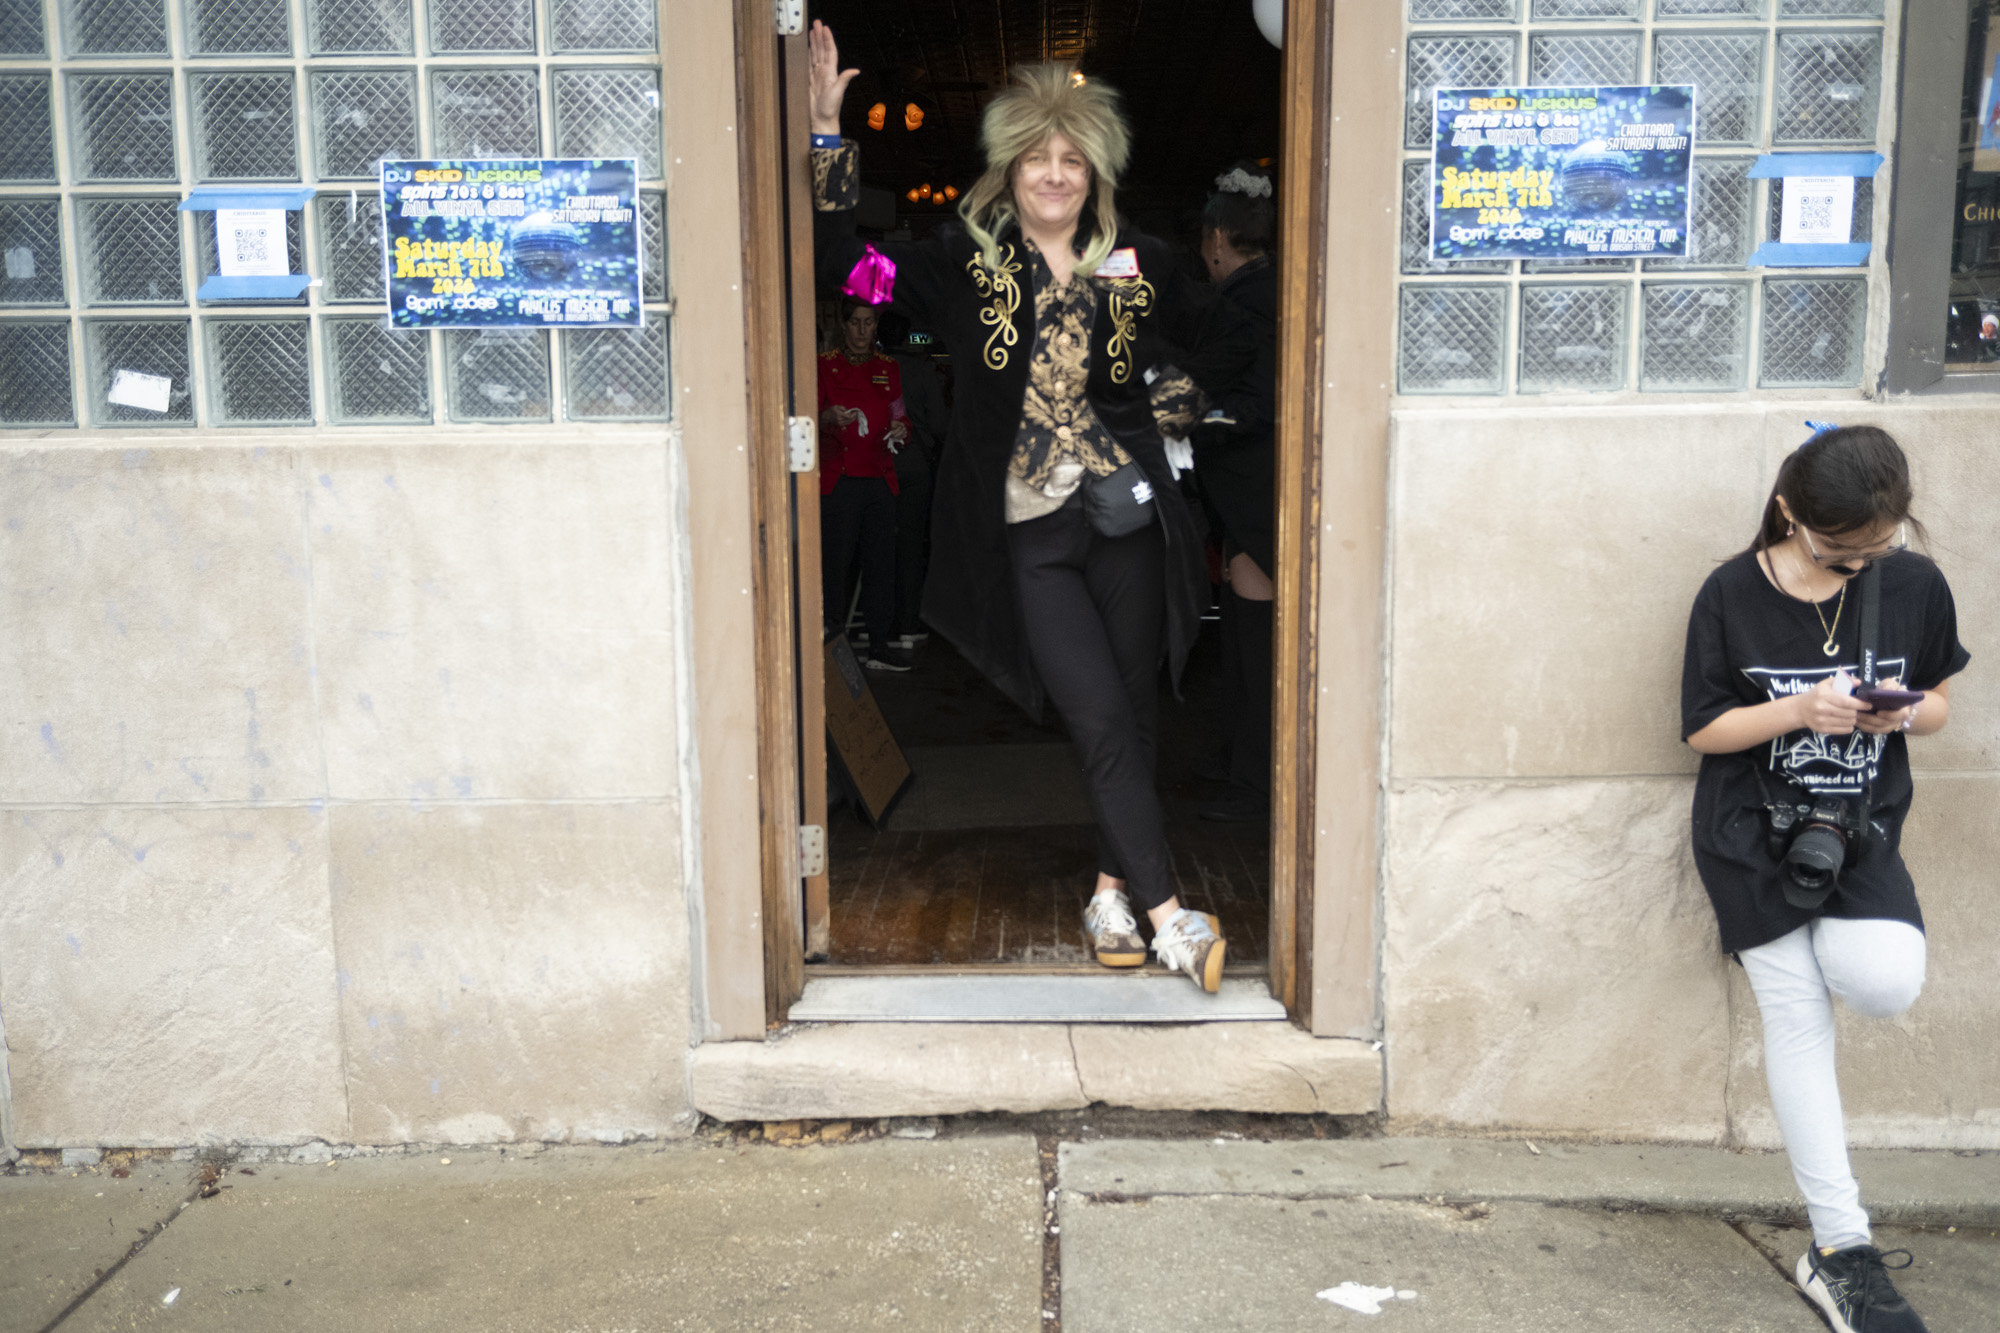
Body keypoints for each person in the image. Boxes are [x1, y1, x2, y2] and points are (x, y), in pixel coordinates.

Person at [809, 21, 1251, 990]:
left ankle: (1108, 895)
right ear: (1009, 168)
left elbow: (1226, 333)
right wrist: (826, 136)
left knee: (1132, 713)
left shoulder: (1139, 261)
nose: (1054, 174)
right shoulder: (962, 264)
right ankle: (1170, 915)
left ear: (1094, 171)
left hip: (1129, 523)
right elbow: (841, 261)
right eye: (1037, 158)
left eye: (1072, 159)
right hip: (1031, 535)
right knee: (1095, 715)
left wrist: (1183, 401)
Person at [1680, 425, 1967, 1333]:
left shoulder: (1914, 584)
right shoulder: (1732, 592)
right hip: (1748, 833)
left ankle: (1841, 1249)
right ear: (1789, 512)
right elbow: (1704, 729)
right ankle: (1841, 1250)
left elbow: (1940, 704)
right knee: (1797, 1019)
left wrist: (1900, 713)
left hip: (1861, 831)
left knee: (1884, 980)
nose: (1858, 565)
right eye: (1839, 552)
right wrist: (1800, 709)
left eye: (1875, 549)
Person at [1185, 162, 1278, 825]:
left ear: (1217, 238)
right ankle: (1239, 764)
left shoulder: (1245, 302)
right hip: (1252, 492)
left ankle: (1254, 783)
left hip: (1253, 493)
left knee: (1254, 646)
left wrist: (1178, 418)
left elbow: (1246, 400)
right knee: (1245, 640)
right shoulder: (1273, 289)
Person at [817, 296, 913, 672]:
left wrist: (901, 429)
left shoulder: (888, 367)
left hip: (879, 478)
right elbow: (805, 415)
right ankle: (832, 646)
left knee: (880, 565)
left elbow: (901, 416)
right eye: (855, 322)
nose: (861, 330)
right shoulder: (824, 365)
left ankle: (878, 646)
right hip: (839, 478)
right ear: (844, 325)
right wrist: (827, 415)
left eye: (868, 323)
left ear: (875, 326)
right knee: (836, 566)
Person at [877, 310, 948, 650]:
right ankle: (907, 621)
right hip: (914, 465)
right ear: (907, 337)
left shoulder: (872, 368)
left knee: (878, 543)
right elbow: (939, 424)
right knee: (910, 544)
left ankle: (877, 621)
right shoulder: (922, 370)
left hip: (876, 465)